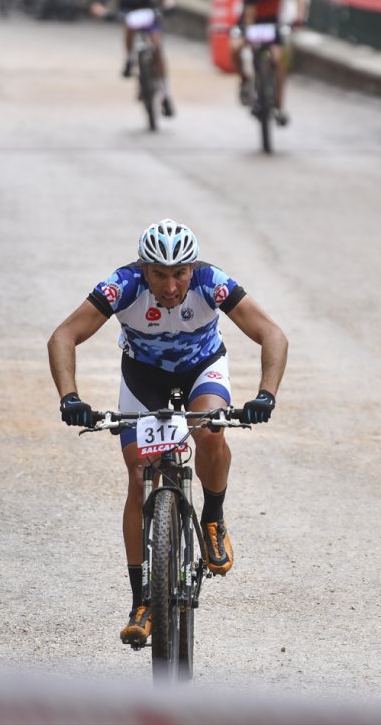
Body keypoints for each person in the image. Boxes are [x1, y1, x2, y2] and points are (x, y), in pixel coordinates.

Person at [47, 218, 288, 645]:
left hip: (202, 369)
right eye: (159, 274)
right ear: (144, 270)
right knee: (139, 476)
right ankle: (142, 600)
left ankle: (213, 518)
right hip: (143, 378)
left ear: (192, 269)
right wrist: (70, 398)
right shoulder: (122, 286)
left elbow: (271, 333)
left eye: (180, 273)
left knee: (211, 432)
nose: (171, 286)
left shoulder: (212, 282)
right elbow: (64, 335)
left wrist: (265, 395)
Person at [231, 0, 308, 126]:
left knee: (279, 59)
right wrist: (249, 34)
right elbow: (249, 12)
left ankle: (279, 106)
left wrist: (299, 18)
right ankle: (244, 81)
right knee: (235, 48)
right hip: (252, 21)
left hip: (273, 22)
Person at [90, 0, 175, 118]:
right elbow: (98, 3)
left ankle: (165, 95)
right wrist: (103, 13)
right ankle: (129, 59)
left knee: (157, 46)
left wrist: (169, 6)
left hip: (147, 7)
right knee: (129, 28)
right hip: (127, 9)